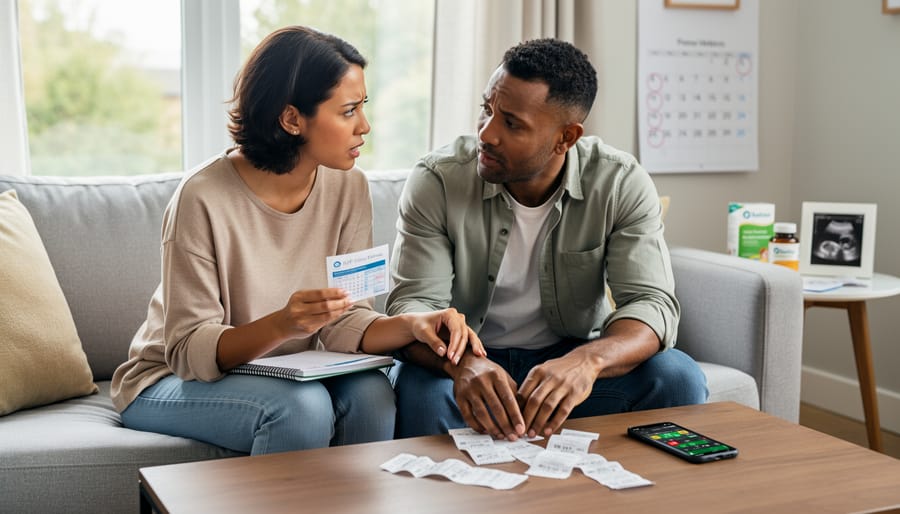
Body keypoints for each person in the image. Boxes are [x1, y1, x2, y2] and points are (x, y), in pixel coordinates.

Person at [110, 26, 483, 455]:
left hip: (280, 372)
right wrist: (283, 324)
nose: (365, 126)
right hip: (167, 378)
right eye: (348, 111)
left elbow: (346, 321)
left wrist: (413, 325)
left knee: (372, 395)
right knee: (302, 409)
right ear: (292, 119)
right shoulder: (202, 197)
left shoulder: (349, 187)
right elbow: (189, 349)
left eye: (363, 106)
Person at [387, 38, 707, 441]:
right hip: (466, 360)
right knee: (422, 391)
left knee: (677, 377)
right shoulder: (438, 180)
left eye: (511, 123)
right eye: (487, 109)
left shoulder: (618, 182)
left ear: (566, 138)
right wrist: (464, 364)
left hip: (567, 358)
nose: (487, 133)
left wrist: (587, 361)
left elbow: (651, 303)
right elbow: (412, 306)